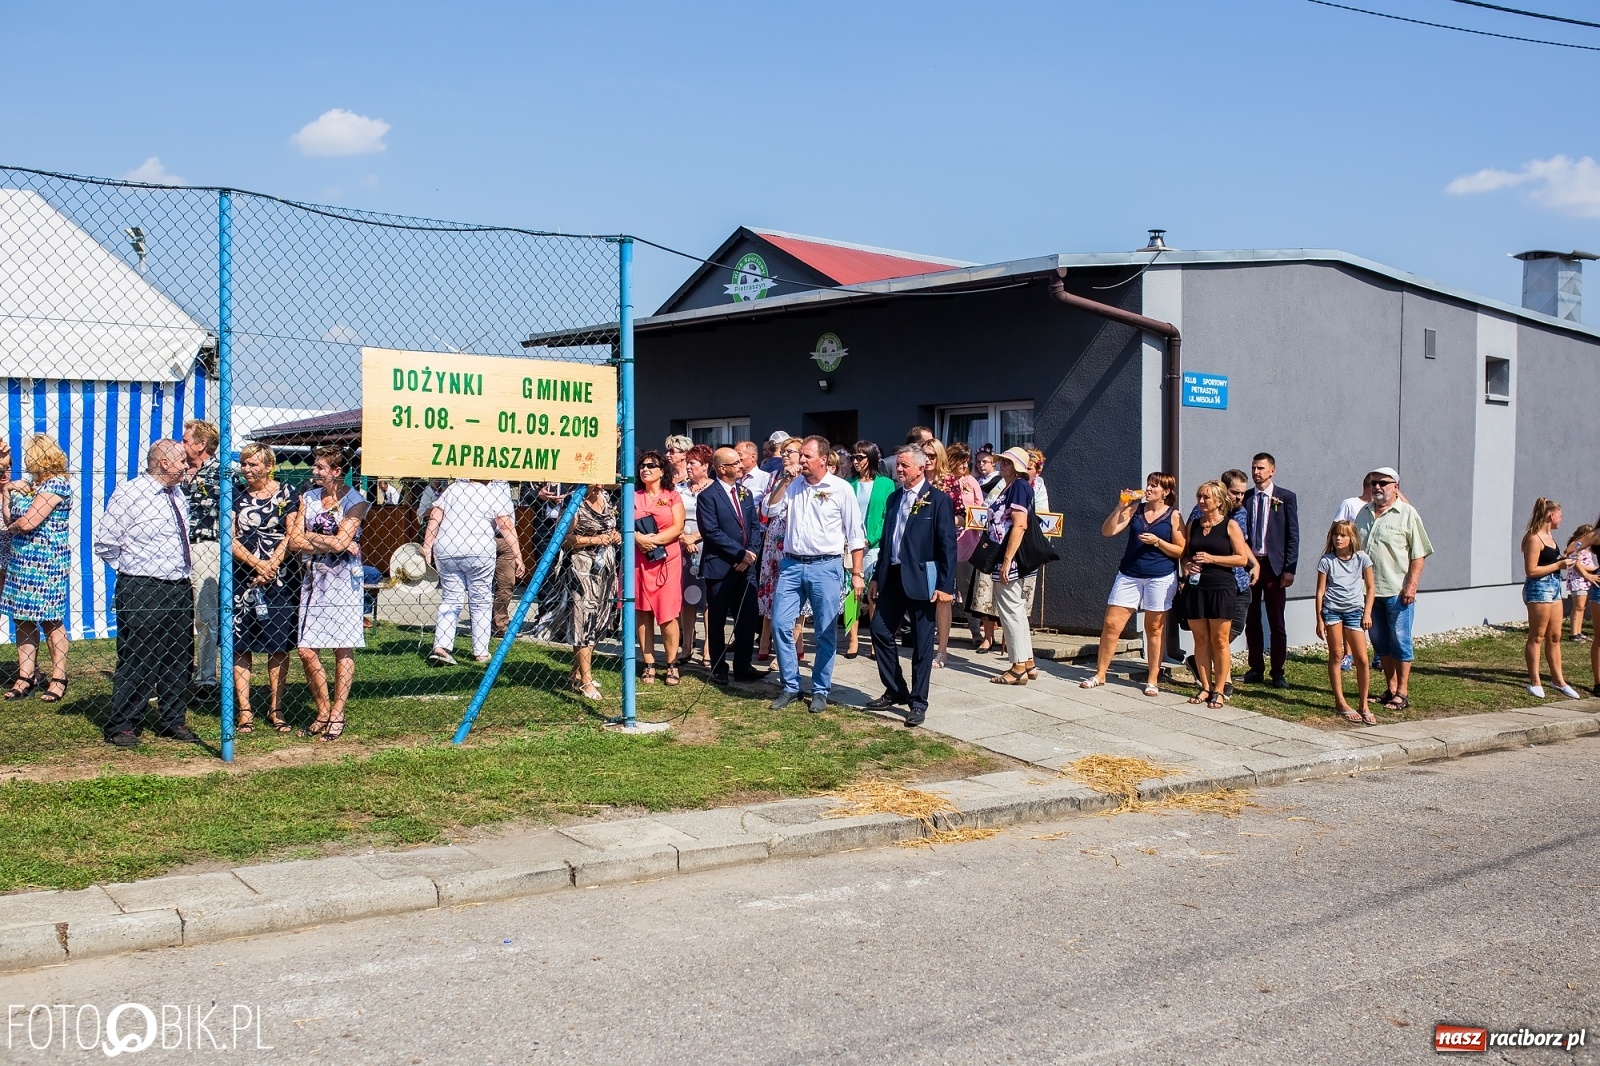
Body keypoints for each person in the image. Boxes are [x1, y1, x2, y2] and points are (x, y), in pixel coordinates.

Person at [93, 440, 199, 747]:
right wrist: (135, 569)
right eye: (182, 460)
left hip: (178, 585)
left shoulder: (177, 494)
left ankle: (173, 720)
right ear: (164, 463)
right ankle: (124, 724)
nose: (187, 464)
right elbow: (105, 543)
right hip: (142, 586)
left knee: (178, 655)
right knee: (138, 654)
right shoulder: (130, 493)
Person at [863, 446, 958, 727]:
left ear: (921, 467)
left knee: (921, 644)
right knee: (879, 631)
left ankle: (918, 702)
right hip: (892, 578)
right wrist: (877, 577)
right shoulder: (894, 498)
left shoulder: (938, 500)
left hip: (922, 581)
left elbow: (947, 547)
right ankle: (895, 689)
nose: (899, 469)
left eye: (904, 465)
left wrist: (945, 585)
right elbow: (887, 542)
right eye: (899, 465)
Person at [770, 435, 866, 713]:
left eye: (807, 457)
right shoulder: (793, 484)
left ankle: (820, 689)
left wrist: (857, 573)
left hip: (826, 565)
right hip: (791, 565)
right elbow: (770, 510)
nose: (801, 461)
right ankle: (790, 685)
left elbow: (855, 534)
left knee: (825, 631)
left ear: (823, 460)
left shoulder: (841, 489)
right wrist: (785, 481)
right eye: (800, 456)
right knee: (780, 623)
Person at [290, 445, 369, 741]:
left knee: (341, 647)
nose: (315, 471)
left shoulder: (356, 501)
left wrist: (316, 539)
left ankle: (337, 712)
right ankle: (322, 708)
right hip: (313, 581)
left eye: (321, 468)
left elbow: (341, 543)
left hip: (344, 582)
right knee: (306, 649)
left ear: (337, 472)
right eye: (315, 466)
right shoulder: (308, 497)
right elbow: (294, 541)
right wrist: (330, 540)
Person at [1081, 473, 1184, 696]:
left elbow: (1180, 550)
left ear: (1165, 492)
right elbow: (1107, 531)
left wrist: (1158, 542)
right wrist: (1120, 506)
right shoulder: (1135, 509)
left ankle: (1153, 679)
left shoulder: (1174, 516)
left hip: (1160, 576)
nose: (1149, 488)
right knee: (1111, 624)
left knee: (1154, 629)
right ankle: (1100, 674)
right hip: (1130, 574)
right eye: (1148, 484)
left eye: (1154, 486)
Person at [230, 443, 300, 733]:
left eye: (253, 465)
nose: (247, 470)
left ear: (269, 465)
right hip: (242, 577)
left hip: (280, 577)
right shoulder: (235, 495)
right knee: (240, 644)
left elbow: (292, 532)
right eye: (244, 464)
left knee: (278, 644)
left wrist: (271, 565)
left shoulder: (287, 493)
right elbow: (229, 536)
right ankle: (244, 711)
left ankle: (276, 708)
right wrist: (256, 564)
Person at [1, 434, 73, 705]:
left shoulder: (56, 485)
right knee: (22, 618)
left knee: (50, 620)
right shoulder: (29, 486)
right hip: (21, 562)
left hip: (47, 564)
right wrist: (7, 493)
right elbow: (11, 519)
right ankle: (25, 676)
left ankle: (58, 678)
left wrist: (16, 524)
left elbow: (29, 522)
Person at [1354, 467, 1434, 713]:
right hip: (1369, 593)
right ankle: (1390, 687)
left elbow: (1419, 554)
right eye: (1374, 483)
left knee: (1400, 641)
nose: (1378, 487)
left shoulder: (1407, 514)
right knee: (1380, 643)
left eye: (1383, 483)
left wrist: (1411, 585)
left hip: (1397, 591)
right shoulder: (1364, 513)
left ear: (1396, 486)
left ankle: (1403, 692)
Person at [423, 478, 521, 666]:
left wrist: (427, 545)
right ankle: (481, 651)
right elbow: (505, 525)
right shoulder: (491, 493)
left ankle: (441, 646)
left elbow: (435, 515)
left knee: (451, 597)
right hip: (480, 549)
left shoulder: (452, 490)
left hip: (447, 547)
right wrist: (518, 555)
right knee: (481, 599)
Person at [1178, 480, 1251, 710]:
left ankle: (1219, 689)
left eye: (1206, 498)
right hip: (1196, 587)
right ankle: (1205, 686)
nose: (1200, 501)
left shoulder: (1230, 526)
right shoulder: (1195, 525)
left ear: (1218, 501)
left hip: (1221, 587)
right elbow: (1185, 554)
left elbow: (1241, 558)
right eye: (1199, 497)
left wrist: (1213, 559)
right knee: (1200, 639)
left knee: (1219, 641)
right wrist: (1187, 565)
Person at [698, 447, 764, 685]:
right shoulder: (708, 496)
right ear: (722, 468)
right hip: (721, 568)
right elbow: (711, 532)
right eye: (735, 463)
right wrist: (739, 554)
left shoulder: (744, 493)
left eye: (740, 461)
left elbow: (754, 526)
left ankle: (743, 665)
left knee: (747, 617)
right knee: (716, 620)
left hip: (746, 569)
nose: (740, 466)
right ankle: (718, 668)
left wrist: (752, 553)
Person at [1241, 452, 1299, 688]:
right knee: (1251, 619)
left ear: (1272, 470)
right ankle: (1255, 668)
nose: (1256, 472)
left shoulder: (1285, 497)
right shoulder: (1245, 498)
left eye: (1261, 468)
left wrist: (1289, 568)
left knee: (1276, 621)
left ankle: (1278, 671)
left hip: (1274, 567)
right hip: (1251, 565)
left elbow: (1292, 535)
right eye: (1254, 468)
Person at [1314, 520, 1376, 724]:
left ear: (1352, 538)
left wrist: (1367, 613)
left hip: (1355, 611)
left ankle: (1363, 703)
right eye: (1335, 535)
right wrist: (1319, 619)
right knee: (1337, 655)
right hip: (1332, 611)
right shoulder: (1327, 560)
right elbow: (1321, 592)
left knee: (1362, 659)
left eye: (1343, 535)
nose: (1338, 538)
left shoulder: (1362, 559)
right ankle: (1340, 702)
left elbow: (1370, 587)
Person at [986, 447, 1039, 686]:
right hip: (1007, 555)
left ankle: (1018, 665)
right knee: (1016, 610)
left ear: (1018, 466)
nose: (1002, 465)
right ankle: (1027, 662)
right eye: (1001, 461)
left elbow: (1019, 525)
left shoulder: (1018, 486)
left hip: (1010, 556)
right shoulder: (1010, 486)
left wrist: (1006, 561)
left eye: (1007, 462)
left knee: (1009, 611)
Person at [633, 450, 685, 685]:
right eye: (642, 466)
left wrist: (652, 540)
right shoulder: (632, 495)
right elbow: (623, 525)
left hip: (667, 560)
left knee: (667, 614)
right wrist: (638, 539)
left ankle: (672, 664)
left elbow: (678, 527)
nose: (645, 469)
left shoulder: (672, 495)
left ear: (662, 470)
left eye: (651, 465)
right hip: (638, 560)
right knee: (642, 612)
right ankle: (649, 664)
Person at [562, 485, 619, 700]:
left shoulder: (605, 497)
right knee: (583, 619)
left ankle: (576, 672)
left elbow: (610, 527)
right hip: (582, 569)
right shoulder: (575, 500)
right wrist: (594, 540)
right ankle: (586, 680)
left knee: (597, 619)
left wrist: (614, 535)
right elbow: (564, 538)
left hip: (606, 567)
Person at [1519, 497, 1580, 700]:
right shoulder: (1534, 538)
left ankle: (1558, 680)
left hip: (1554, 588)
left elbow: (1551, 563)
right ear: (1550, 515)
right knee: (1537, 636)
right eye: (1560, 515)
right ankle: (1535, 681)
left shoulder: (1551, 538)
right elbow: (1531, 570)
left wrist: (1563, 561)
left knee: (1555, 636)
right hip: (1539, 589)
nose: (1561, 519)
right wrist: (1558, 566)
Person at [180, 419, 221, 701]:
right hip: (175, 548)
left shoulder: (221, 473)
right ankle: (178, 670)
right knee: (178, 613)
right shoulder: (177, 472)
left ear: (200, 444)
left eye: (185, 440)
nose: (181, 445)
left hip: (205, 545)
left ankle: (206, 677)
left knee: (205, 615)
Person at [756, 439, 806, 666]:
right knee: (772, 593)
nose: (785, 455)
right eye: (783, 451)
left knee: (794, 597)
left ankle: (792, 645)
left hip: (793, 543)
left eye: (790, 452)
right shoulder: (777, 476)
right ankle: (766, 641)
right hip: (773, 543)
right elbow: (768, 508)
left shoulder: (807, 478)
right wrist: (785, 481)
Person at [846, 441, 894, 660]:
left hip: (873, 546)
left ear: (872, 458)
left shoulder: (886, 484)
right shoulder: (849, 484)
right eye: (853, 457)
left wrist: (870, 539)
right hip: (850, 546)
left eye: (860, 457)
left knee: (874, 595)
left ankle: (875, 640)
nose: (856, 462)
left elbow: (886, 516)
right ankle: (852, 639)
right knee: (851, 595)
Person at [675, 444, 714, 669]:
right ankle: (687, 646)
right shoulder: (680, 490)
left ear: (706, 466)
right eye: (687, 462)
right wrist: (683, 537)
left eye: (693, 463)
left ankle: (708, 648)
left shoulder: (715, 489)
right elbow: (674, 518)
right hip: (683, 550)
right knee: (686, 600)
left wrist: (696, 538)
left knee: (708, 601)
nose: (688, 466)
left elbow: (717, 522)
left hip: (707, 548)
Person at [488, 480, 521, 638]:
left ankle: (500, 624)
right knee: (481, 585)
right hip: (483, 536)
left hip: (506, 537)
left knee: (507, 583)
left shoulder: (505, 480)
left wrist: (517, 554)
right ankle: (480, 624)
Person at [1564, 525, 1595, 643]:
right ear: (1584, 536)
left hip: (1585, 580)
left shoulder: (1585, 548)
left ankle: (1578, 631)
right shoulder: (1576, 546)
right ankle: (1573, 634)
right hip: (1578, 580)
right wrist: (1591, 569)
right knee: (1578, 607)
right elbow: (1574, 562)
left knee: (1582, 607)